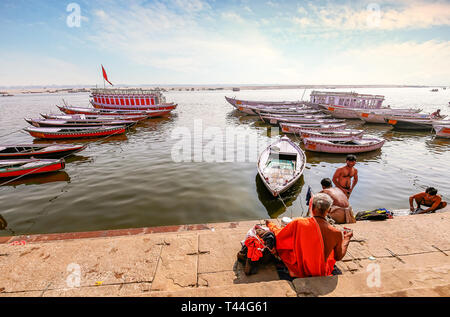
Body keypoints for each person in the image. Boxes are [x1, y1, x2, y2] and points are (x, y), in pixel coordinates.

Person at [266, 193, 353, 278]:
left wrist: (271, 226)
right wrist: (347, 238)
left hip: (300, 269)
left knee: (288, 244)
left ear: (312, 207)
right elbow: (338, 257)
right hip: (321, 271)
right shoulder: (336, 233)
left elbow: (280, 236)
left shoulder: (299, 222)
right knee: (331, 252)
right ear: (329, 210)